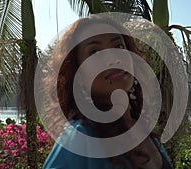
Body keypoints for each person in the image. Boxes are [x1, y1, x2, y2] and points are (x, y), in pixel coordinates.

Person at [42, 14, 173, 169]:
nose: (113, 58)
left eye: (119, 46)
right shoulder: (81, 138)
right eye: (95, 52)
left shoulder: (148, 136)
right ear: (79, 76)